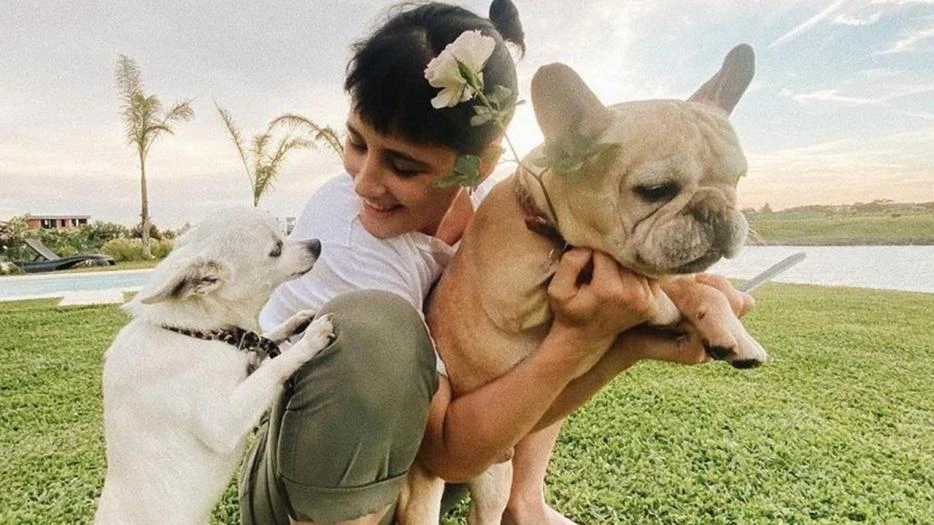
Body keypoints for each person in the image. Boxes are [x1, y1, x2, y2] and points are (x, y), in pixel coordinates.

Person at [239, 2, 755, 525]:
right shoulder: (346, 236)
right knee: (378, 329)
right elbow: (447, 452)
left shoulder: (516, 210)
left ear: (481, 165)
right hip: (307, 481)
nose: (365, 182)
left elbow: (522, 389)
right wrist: (591, 337)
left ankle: (524, 505)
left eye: (403, 165)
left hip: (440, 458)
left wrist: (636, 331)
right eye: (355, 142)